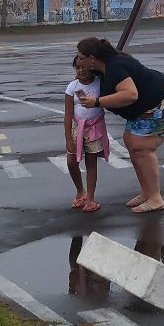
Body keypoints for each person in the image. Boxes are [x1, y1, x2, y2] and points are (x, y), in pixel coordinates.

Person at [74, 37, 164, 213]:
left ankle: (155, 198)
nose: (77, 60)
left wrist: (97, 102)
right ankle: (147, 192)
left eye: (80, 57)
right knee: (131, 141)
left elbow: (130, 94)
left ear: (92, 59)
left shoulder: (115, 66)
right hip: (152, 104)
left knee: (141, 147)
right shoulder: (104, 69)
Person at [64, 56, 110, 213]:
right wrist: (68, 138)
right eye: (78, 67)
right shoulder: (72, 87)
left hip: (95, 127)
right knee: (71, 161)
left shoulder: (100, 82)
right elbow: (67, 115)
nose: (81, 70)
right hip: (78, 128)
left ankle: (90, 198)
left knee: (91, 162)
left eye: (84, 67)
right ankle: (80, 191)